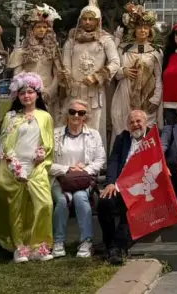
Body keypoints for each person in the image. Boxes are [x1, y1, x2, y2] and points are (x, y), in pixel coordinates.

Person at [0, 72, 56, 263]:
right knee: (17, 209)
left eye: (30, 92)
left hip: (37, 167)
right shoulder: (11, 117)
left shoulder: (45, 117)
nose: (26, 96)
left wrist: (42, 155)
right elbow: (5, 145)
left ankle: (40, 245)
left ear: (37, 94)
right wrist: (14, 166)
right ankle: (20, 246)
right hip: (16, 167)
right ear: (17, 97)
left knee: (45, 204)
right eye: (22, 93)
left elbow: (49, 144)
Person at [61, 0, 120, 138]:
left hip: (95, 93)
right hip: (74, 91)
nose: (87, 22)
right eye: (84, 19)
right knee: (73, 127)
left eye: (91, 19)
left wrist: (97, 77)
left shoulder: (105, 40)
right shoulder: (71, 41)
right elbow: (65, 65)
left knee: (93, 129)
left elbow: (115, 63)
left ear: (97, 21)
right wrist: (66, 79)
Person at [50, 99, 106, 259]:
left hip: (82, 180)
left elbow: (100, 159)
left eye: (81, 113)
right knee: (62, 201)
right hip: (61, 179)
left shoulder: (93, 134)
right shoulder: (55, 134)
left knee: (81, 198)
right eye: (72, 112)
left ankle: (86, 241)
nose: (76, 115)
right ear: (67, 114)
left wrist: (84, 170)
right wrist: (67, 169)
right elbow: (48, 163)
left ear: (85, 116)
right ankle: (59, 241)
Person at [98, 110, 153, 265]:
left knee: (130, 211)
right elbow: (114, 161)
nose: (135, 125)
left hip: (143, 187)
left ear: (145, 122)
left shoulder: (154, 136)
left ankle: (116, 248)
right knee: (104, 203)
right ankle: (109, 244)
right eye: (132, 122)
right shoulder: (122, 139)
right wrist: (110, 183)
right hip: (120, 185)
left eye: (138, 121)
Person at [112, 3, 162, 138]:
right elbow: (113, 72)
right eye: (139, 28)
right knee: (124, 127)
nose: (143, 30)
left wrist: (156, 99)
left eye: (146, 28)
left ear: (150, 30)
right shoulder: (123, 49)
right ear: (134, 30)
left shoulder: (156, 51)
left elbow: (159, 77)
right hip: (126, 94)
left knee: (146, 129)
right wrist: (123, 71)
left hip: (148, 96)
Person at [7, 4, 64, 108]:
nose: (42, 30)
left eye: (45, 27)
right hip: (28, 94)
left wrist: (50, 92)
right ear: (31, 29)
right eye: (38, 27)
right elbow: (17, 75)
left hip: (49, 95)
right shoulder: (21, 50)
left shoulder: (54, 50)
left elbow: (57, 73)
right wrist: (27, 92)